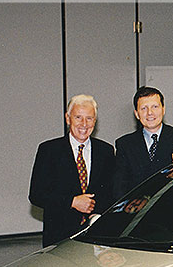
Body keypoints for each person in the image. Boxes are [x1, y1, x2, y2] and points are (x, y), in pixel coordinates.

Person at [29, 94, 115, 247]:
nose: (84, 124)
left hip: (96, 238)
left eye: (89, 118)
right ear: (68, 119)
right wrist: (72, 201)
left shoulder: (106, 151)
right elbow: (36, 194)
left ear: (95, 121)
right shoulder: (49, 150)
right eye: (78, 117)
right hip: (58, 237)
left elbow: (111, 192)